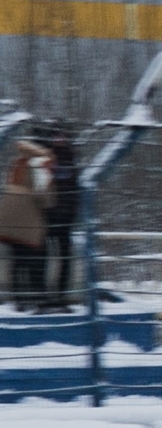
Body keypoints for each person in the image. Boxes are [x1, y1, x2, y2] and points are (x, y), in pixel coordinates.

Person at [1, 138, 56, 313]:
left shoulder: (17, 161)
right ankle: (39, 300)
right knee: (37, 260)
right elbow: (44, 198)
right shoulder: (40, 164)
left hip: (8, 220)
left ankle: (19, 300)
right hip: (29, 221)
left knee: (17, 260)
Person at [39, 127, 79, 312]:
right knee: (44, 258)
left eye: (61, 135)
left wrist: (71, 214)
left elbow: (75, 191)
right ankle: (45, 297)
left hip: (63, 219)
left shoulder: (70, 158)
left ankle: (60, 297)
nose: (58, 139)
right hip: (47, 217)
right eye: (55, 136)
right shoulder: (44, 158)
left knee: (64, 258)